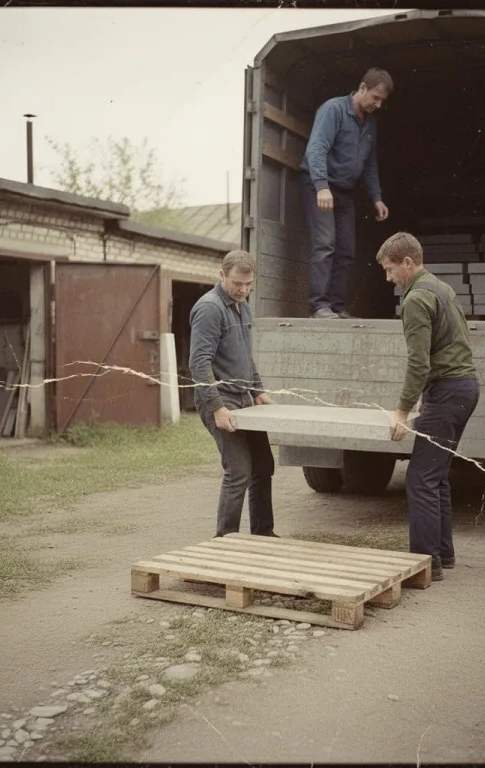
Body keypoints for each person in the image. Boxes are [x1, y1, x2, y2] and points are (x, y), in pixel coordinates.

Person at [375, 232, 480, 581]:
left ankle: (424, 565)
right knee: (435, 477)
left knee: (420, 479)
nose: (388, 278)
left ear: (408, 262)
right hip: (463, 388)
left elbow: (418, 362)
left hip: (448, 392)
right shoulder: (441, 288)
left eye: (391, 269)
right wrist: (428, 392)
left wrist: (402, 411)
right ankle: (442, 556)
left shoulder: (416, 298)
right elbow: (451, 343)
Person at [189, 250, 279, 539]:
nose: (243, 290)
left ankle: (263, 535)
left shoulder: (243, 306)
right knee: (238, 471)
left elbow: (245, 355)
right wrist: (217, 408)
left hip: (243, 398)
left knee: (263, 466)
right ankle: (225, 541)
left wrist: (257, 390)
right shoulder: (210, 309)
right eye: (237, 284)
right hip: (221, 400)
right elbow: (199, 363)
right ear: (221, 275)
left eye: (248, 284)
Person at [300, 67, 392, 320]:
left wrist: (376, 197)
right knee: (325, 244)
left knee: (346, 250)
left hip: (345, 192)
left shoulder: (370, 123)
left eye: (382, 101)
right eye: (375, 97)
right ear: (362, 88)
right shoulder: (334, 109)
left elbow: (369, 164)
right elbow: (317, 148)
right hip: (320, 186)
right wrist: (322, 186)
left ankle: (336, 307)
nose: (378, 104)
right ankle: (319, 307)